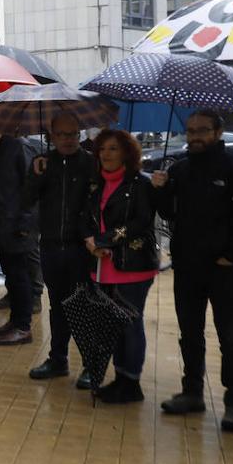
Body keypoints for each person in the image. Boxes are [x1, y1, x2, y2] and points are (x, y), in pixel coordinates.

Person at [151, 110, 233, 431]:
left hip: (224, 268)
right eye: (191, 131)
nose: (195, 136)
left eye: (203, 131)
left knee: (231, 337)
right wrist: (161, 188)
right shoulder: (180, 168)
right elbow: (168, 213)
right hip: (187, 265)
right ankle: (192, 391)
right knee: (190, 334)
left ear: (218, 132)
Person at [81, 129, 159, 404]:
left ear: (127, 152)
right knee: (112, 324)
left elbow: (141, 222)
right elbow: (86, 216)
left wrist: (105, 241)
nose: (106, 154)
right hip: (101, 263)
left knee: (129, 323)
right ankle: (120, 378)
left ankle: (131, 382)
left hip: (132, 265)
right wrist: (90, 240)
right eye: (102, 149)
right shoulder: (95, 184)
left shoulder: (141, 184)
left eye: (113, 149)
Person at [25, 112, 96, 387]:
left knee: (83, 306)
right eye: (62, 134)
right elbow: (26, 199)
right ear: (51, 136)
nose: (68, 139)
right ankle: (58, 359)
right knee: (57, 306)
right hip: (52, 246)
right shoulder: (42, 163)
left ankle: (91, 364)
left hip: (82, 249)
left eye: (73, 134)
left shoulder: (91, 163)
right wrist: (36, 176)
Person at [0, 131, 39, 346]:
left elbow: (30, 186)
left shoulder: (18, 147)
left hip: (17, 225)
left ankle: (23, 327)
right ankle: (15, 321)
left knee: (20, 276)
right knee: (11, 276)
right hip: (1, 223)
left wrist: (25, 222)